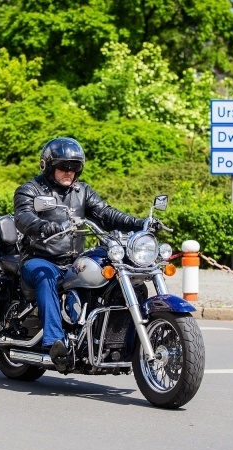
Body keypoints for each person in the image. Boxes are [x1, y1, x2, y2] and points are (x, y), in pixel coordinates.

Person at [13, 137, 145, 371]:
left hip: (74, 262)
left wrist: (139, 223)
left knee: (113, 275)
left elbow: (106, 214)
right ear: (48, 166)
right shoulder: (30, 189)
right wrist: (44, 226)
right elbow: (23, 218)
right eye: (63, 167)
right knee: (46, 276)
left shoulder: (82, 191)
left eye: (74, 168)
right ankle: (54, 341)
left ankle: (118, 341)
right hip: (39, 258)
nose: (69, 172)